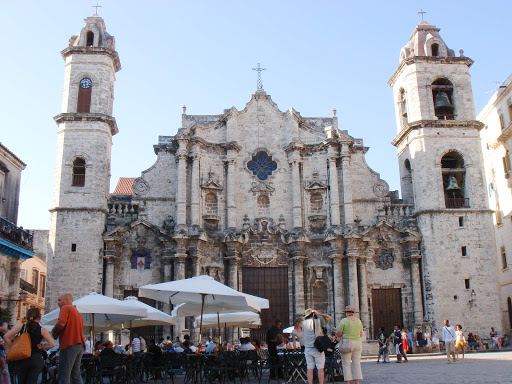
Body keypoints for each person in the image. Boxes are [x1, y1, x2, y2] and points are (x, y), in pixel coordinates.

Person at [4, 307, 55, 384]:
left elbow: (6, 336)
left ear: (27, 316)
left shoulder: (21, 327)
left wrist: (13, 347)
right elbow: (52, 344)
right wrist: (42, 347)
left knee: (21, 381)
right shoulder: (41, 329)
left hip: (22, 357)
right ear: (39, 317)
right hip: (35, 358)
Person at [51, 293, 85, 384]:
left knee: (64, 374)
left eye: (59, 300)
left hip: (69, 344)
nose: (57, 303)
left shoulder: (65, 308)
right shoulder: (77, 312)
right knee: (75, 374)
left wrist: (54, 332)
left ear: (66, 300)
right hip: (79, 345)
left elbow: (61, 323)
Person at [303, 308, 332, 384]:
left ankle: (310, 383)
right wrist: (319, 314)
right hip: (317, 347)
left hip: (308, 348)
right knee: (320, 368)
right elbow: (329, 318)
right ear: (313, 314)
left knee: (309, 368)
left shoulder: (303, 323)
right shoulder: (318, 322)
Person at [336, 306, 363, 384]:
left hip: (347, 342)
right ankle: (357, 381)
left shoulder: (344, 321)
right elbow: (361, 334)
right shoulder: (359, 321)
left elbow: (339, 333)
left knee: (346, 363)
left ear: (347, 313)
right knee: (356, 363)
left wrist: (337, 333)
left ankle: (347, 382)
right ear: (353, 313)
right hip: (358, 343)